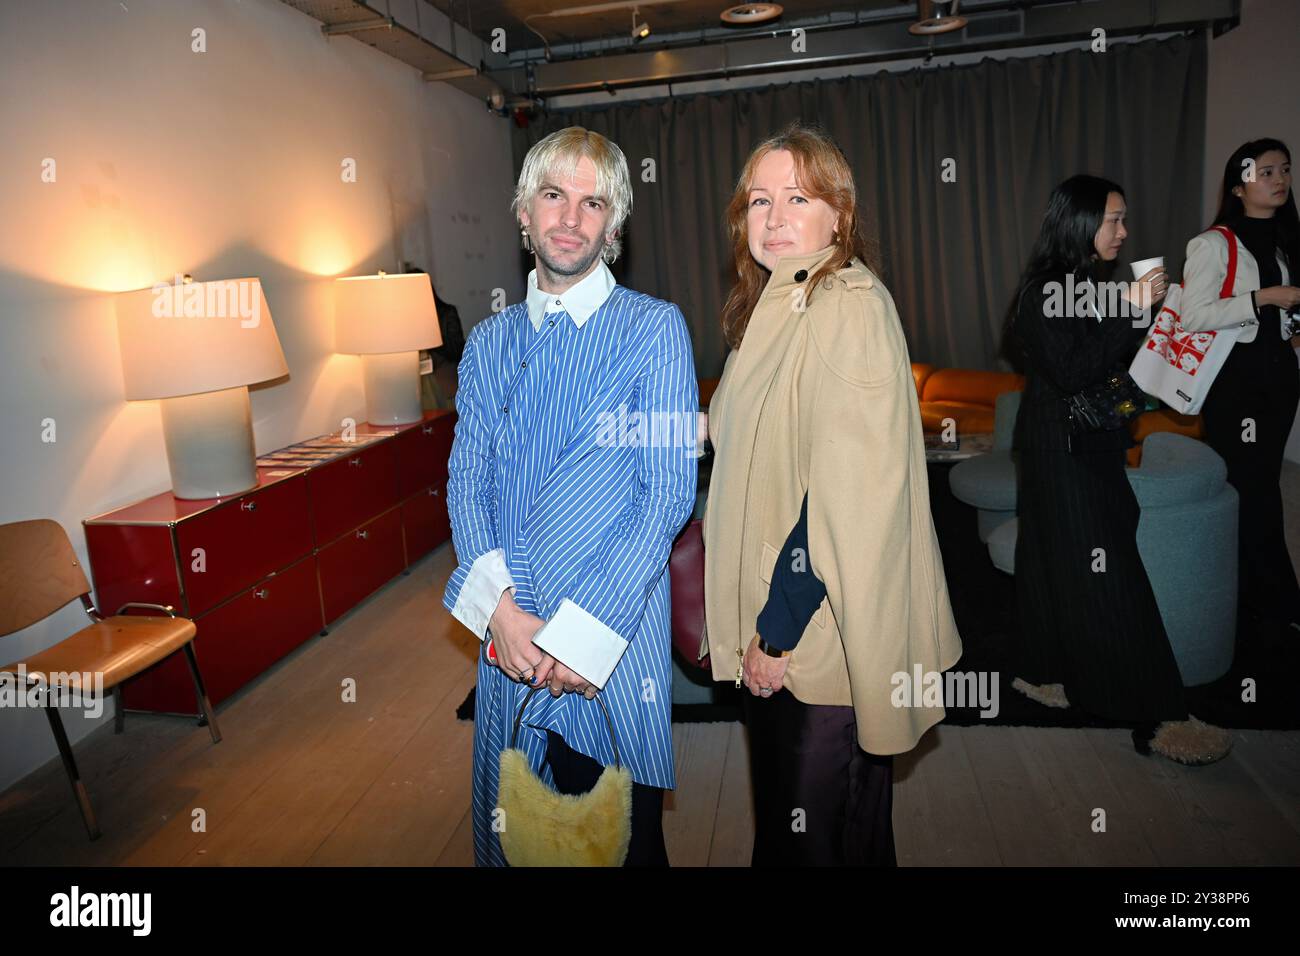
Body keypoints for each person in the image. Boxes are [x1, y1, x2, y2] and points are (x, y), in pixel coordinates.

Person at [702, 124, 962, 866]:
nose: (775, 218)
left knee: (814, 841)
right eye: (759, 200)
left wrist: (776, 632)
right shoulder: (777, 307)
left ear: (838, 216)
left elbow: (844, 498)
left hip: (814, 632)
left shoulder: (844, 303)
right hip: (790, 621)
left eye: (798, 198)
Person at [442, 126, 698, 866]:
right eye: (554, 195)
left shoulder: (653, 330)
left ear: (613, 227)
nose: (569, 218)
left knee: (622, 843)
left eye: (592, 203)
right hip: (510, 639)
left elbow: (665, 496)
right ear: (524, 210)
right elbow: (468, 482)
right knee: (522, 835)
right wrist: (500, 612)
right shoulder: (489, 344)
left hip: (610, 648)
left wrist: (578, 640)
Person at [1006, 174, 1231, 764]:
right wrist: (1131, 312)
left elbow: (1117, 372)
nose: (1124, 231)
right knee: (1112, 575)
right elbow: (1073, 368)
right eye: (1113, 220)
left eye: (1124, 219)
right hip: (1062, 451)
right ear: (1078, 222)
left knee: (1050, 557)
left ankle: (1042, 670)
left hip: (1093, 443)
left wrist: (1168, 332)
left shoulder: (1095, 285)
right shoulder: (1042, 292)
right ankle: (1157, 714)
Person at [1181, 138, 1300, 638]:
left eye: (1285, 170)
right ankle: (1275, 599)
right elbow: (1193, 316)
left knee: (1261, 484)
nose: (1279, 179)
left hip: (1279, 380)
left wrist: (1291, 324)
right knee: (1252, 490)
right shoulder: (1212, 243)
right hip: (1235, 382)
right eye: (1266, 171)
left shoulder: (1286, 240)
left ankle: (1252, 594)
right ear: (1238, 185)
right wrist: (1264, 296)